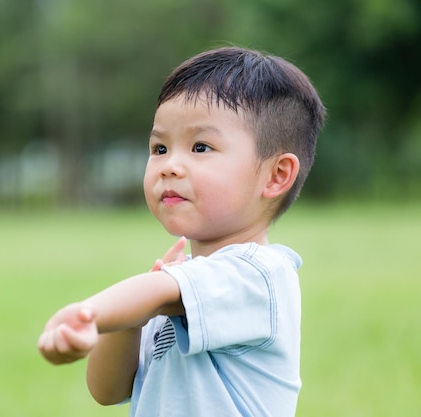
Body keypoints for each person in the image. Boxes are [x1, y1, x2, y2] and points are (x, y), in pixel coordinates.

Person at [37, 46, 326, 417]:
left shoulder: (260, 275)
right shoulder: (177, 285)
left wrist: (87, 313)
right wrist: (127, 322)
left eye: (200, 146)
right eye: (159, 148)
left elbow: (156, 294)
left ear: (276, 175)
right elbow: (107, 390)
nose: (169, 165)